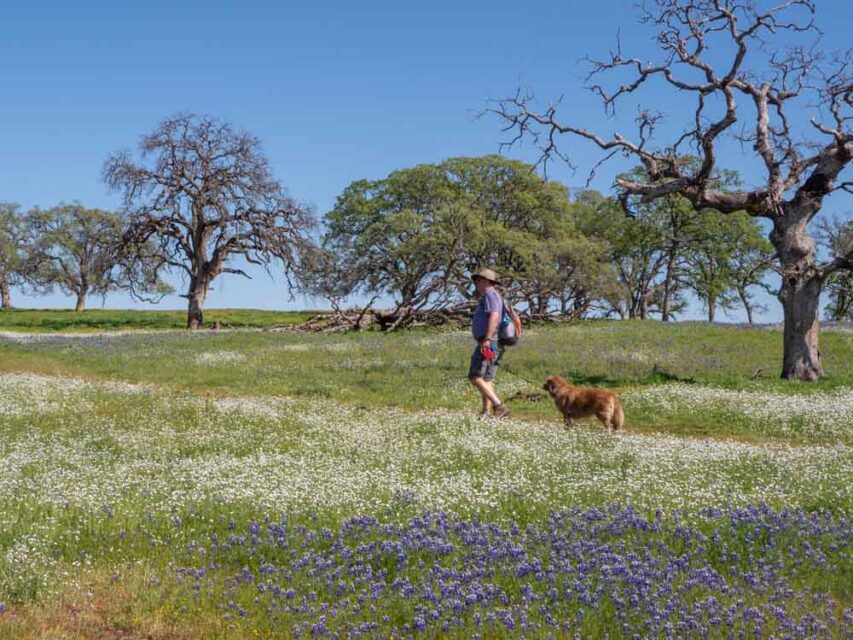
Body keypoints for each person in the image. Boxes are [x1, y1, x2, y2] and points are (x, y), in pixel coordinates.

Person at [468, 268, 510, 419]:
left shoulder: (490, 294)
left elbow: (494, 315)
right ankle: (485, 412)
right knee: (487, 378)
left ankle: (499, 406)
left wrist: (486, 339)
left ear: (486, 281)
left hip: (489, 342)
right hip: (492, 341)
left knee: (475, 376)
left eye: (478, 280)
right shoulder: (493, 295)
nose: (476, 283)